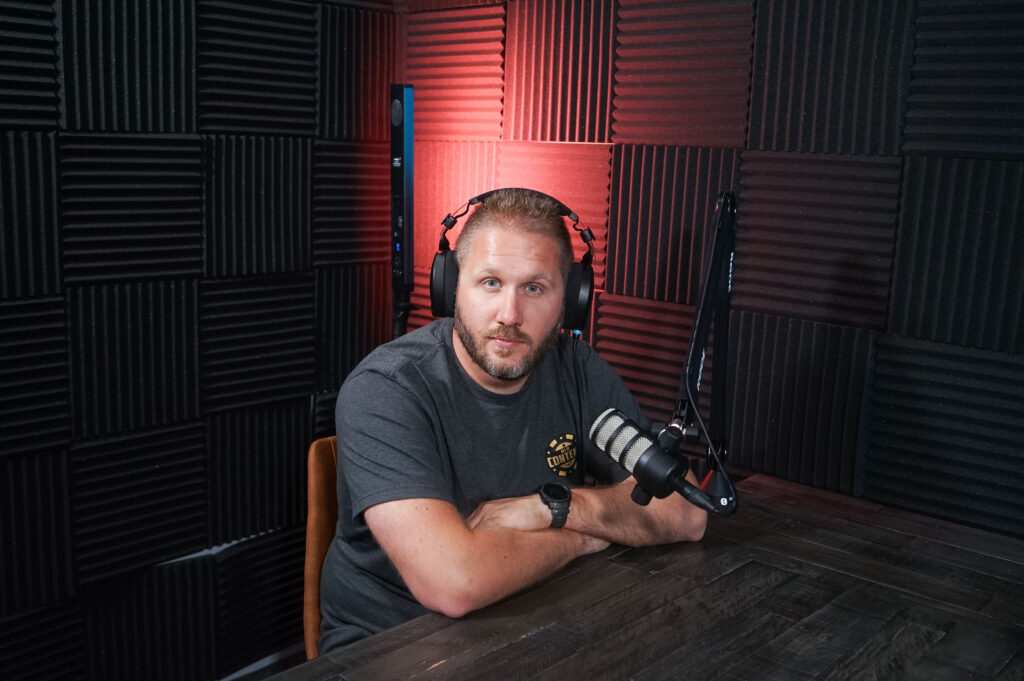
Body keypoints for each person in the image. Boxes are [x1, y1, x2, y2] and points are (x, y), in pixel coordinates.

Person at [318, 188, 707, 652]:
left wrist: (554, 509)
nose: (510, 315)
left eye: (534, 288)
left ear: (571, 300)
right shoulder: (386, 390)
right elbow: (455, 583)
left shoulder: (577, 370)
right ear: (450, 288)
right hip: (391, 648)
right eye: (490, 283)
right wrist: (581, 539)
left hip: (531, 624)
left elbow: (686, 512)